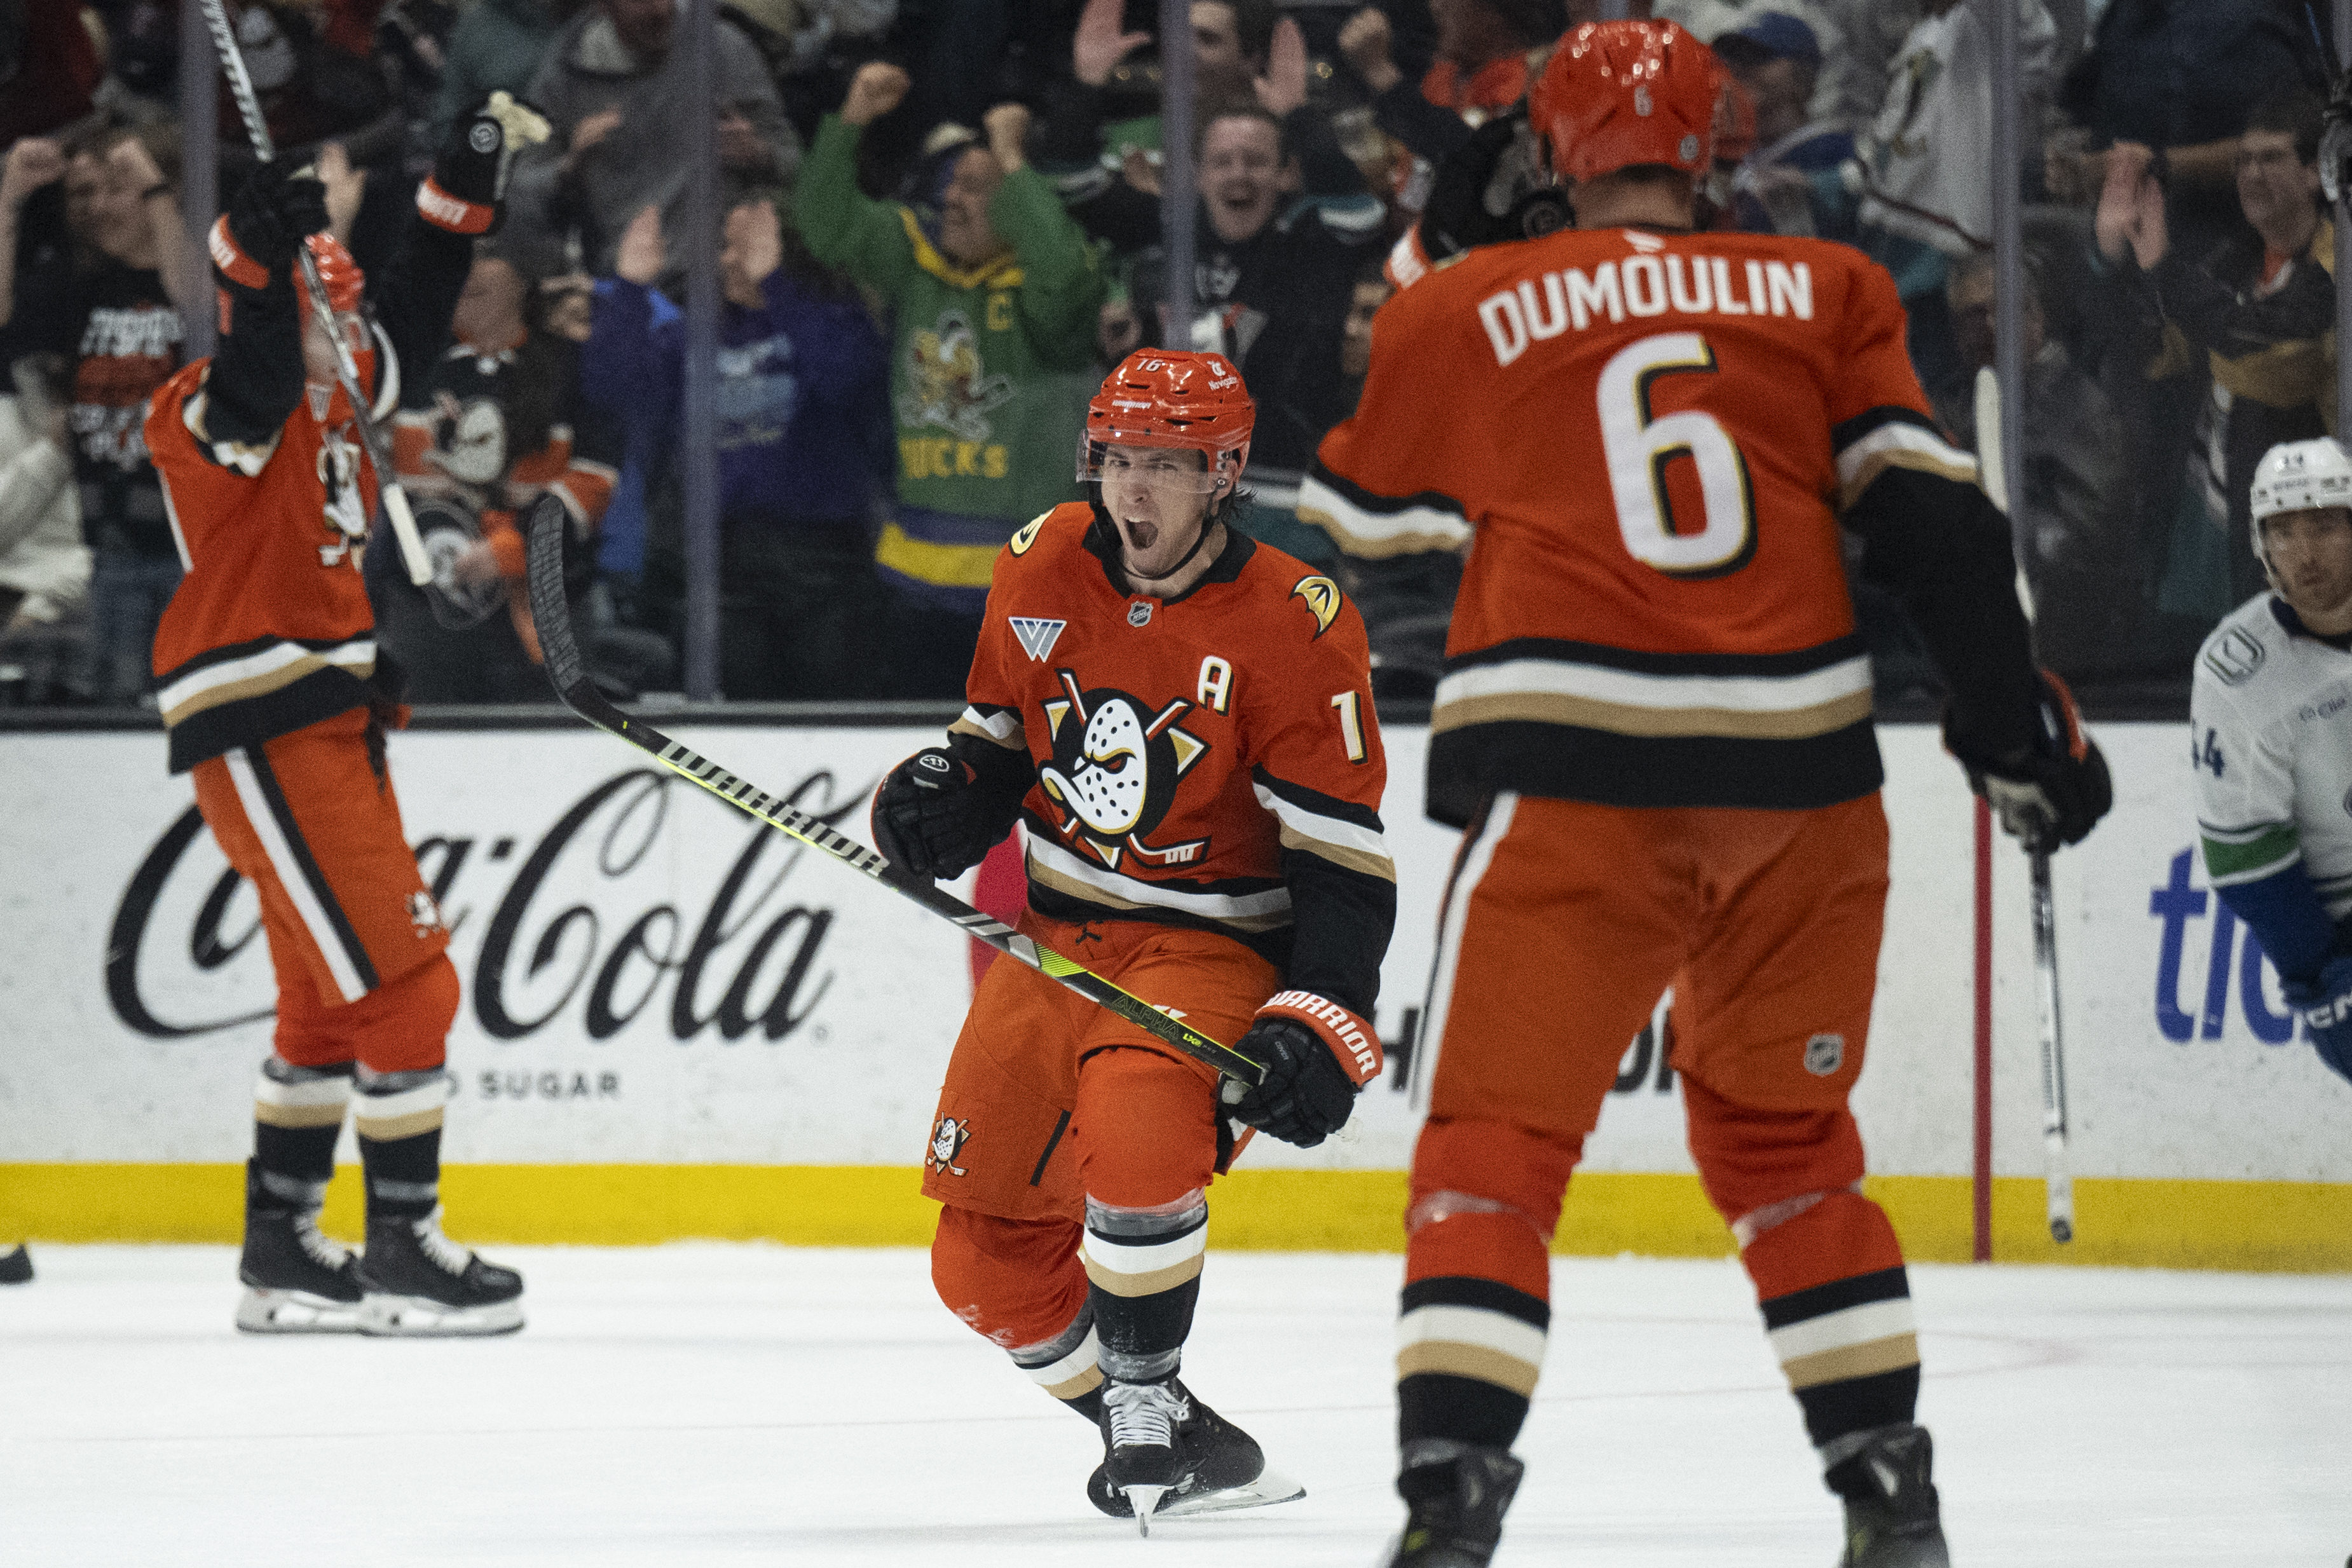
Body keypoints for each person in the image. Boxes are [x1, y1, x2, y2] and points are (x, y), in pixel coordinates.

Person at [1300, 22, 2112, 1565]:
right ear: (1714, 143)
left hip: (1571, 771)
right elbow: (1941, 534)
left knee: (1494, 1147)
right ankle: (1889, 1491)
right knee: (1786, 1145)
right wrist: (2014, 734)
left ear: (1547, 150)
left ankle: (1452, 1496)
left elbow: (1366, 518)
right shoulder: (1828, 293)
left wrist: (1444, 259)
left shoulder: (1471, 299)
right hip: (1802, 784)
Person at [875, 348, 1395, 1528]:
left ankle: (1148, 1397)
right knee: (981, 1266)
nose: (1137, 489)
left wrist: (1326, 1012)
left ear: (1222, 474)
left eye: (1169, 463)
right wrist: (938, 798)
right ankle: (1169, 1427)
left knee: (1140, 1138)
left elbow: (1345, 863)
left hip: (1206, 949)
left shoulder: (1297, 625)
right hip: (1051, 939)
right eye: (1122, 458)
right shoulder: (1041, 561)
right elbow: (996, 742)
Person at [142, 98, 548, 1337]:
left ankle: (281, 1253)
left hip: (327, 710)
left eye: (336, 306)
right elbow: (262, 363)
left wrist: (461, 180)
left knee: (327, 995)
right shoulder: (211, 405)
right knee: (410, 987)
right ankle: (401, 1247)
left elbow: (416, 300)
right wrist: (258, 255)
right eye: (319, 309)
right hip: (260, 709)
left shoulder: (345, 374)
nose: (341, 329)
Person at [795, 62, 1105, 696]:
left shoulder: (1047, 292)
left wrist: (1014, 159)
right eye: (952, 185)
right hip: (913, 575)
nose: (953, 200)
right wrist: (848, 121)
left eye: (977, 189)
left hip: (1028, 590)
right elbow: (823, 225)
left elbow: (1068, 281)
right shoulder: (919, 261)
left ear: (1020, 209)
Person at [586, 196, 892, 699]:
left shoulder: (836, 319)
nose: (726, 260)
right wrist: (631, 287)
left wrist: (777, 286)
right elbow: (612, 388)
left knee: (831, 718)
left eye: (740, 246)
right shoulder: (697, 333)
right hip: (724, 561)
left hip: (823, 563)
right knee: (740, 728)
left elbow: (847, 382)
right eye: (723, 247)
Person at [2093, 90, 2335, 614]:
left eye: (2271, 158)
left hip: (2309, 536)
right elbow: (2156, 354)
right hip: (2214, 523)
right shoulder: (2234, 262)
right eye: (2244, 161)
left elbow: (2268, 359)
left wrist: (2162, 266)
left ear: (2316, 174)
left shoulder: (2337, 265)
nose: (2253, 174)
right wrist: (2117, 256)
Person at [377, 243, 624, 702]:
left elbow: (596, 477)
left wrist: (514, 547)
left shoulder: (573, 366)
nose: (467, 270)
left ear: (524, 278)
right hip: (427, 614)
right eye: (459, 255)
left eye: (486, 254)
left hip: (544, 609)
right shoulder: (407, 365)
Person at [2192, 439, 2352, 1089]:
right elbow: (2244, 854)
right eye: (2281, 532)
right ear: (2260, 547)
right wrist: (2316, 969)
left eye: (2324, 525)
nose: (2304, 553)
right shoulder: (2239, 674)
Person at [505, 0, 800, 276]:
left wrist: (758, 152)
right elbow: (521, 191)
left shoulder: (721, 46)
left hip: (723, 275)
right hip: (628, 281)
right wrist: (570, 165)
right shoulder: (567, 73)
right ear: (605, 7)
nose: (660, 9)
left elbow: (794, 162)